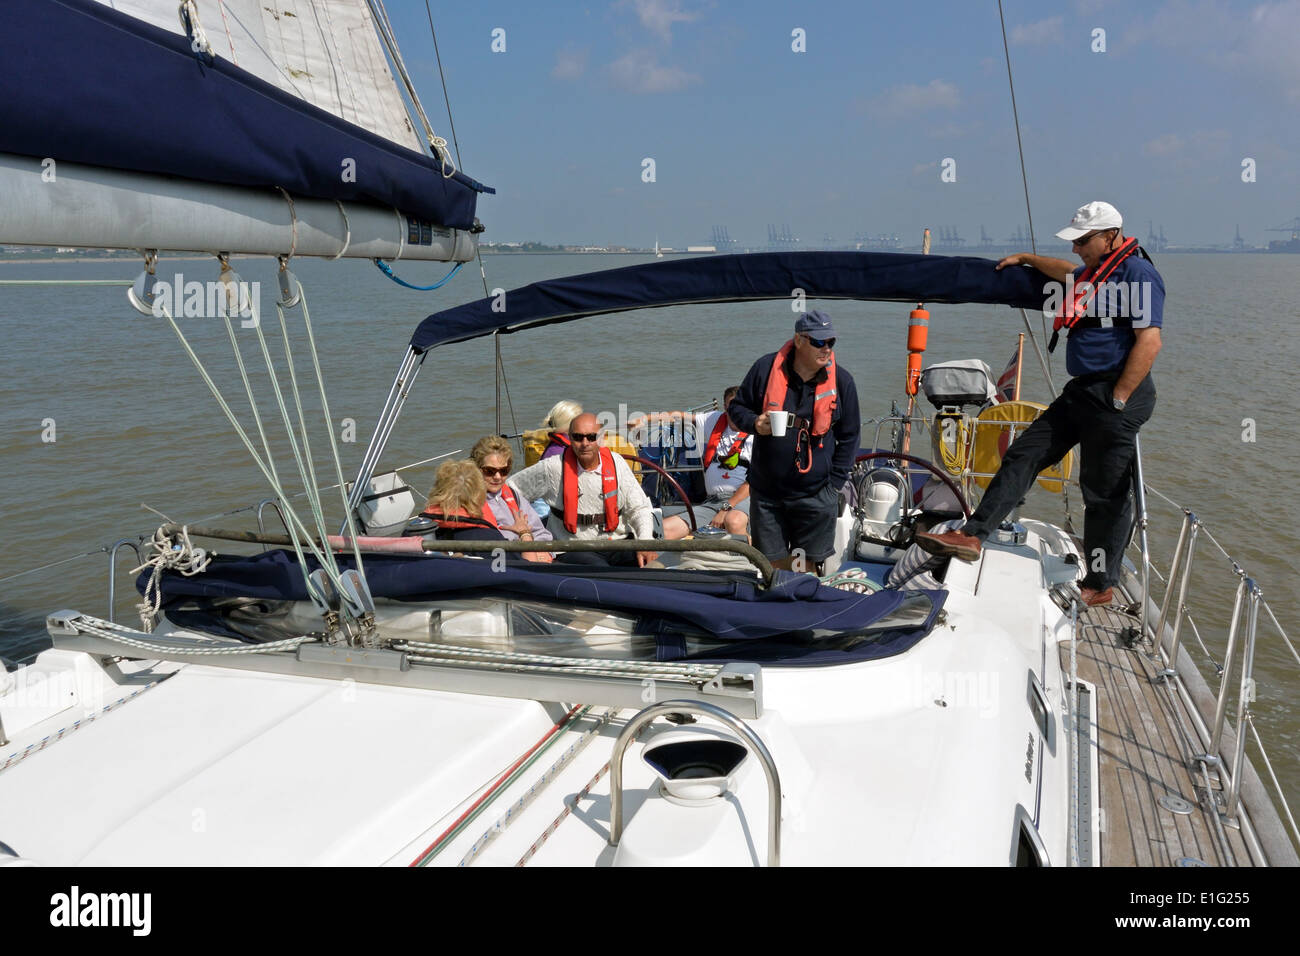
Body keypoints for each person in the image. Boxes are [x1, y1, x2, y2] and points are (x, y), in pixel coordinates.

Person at [916, 201, 1164, 608]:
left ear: (1111, 235)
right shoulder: (1095, 272)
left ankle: (1101, 583)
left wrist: (1118, 399)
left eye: (1083, 240)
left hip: (1117, 394)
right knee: (1024, 453)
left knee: (1103, 493)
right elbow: (1067, 272)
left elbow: (1150, 342)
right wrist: (1028, 259)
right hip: (1081, 392)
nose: (1076, 249)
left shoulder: (1138, 274)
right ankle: (973, 535)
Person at [727, 309, 861, 574]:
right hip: (767, 494)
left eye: (831, 342)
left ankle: (801, 609)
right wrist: (755, 423)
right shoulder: (765, 370)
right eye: (819, 342)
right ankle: (775, 608)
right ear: (799, 340)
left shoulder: (842, 382)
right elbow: (737, 409)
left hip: (815, 493)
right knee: (771, 565)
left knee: (805, 567)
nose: (826, 349)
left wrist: (833, 485)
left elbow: (850, 436)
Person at [508, 412, 659, 567]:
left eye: (591, 437)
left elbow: (639, 508)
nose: (584, 443)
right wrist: (520, 528)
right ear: (570, 439)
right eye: (578, 437)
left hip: (618, 542)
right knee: (601, 571)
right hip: (573, 548)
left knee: (654, 567)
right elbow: (510, 489)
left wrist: (645, 542)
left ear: (601, 439)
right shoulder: (552, 468)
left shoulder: (618, 463)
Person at [628, 386, 752, 539]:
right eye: (731, 406)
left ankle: (752, 554)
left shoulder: (756, 433)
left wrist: (726, 508)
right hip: (713, 502)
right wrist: (643, 420)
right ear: (725, 407)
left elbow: (753, 482)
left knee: (733, 521)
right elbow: (677, 416)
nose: (735, 411)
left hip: (743, 500)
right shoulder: (713, 419)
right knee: (664, 530)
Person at [470, 435, 554, 563]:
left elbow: (541, 533)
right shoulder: (468, 501)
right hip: (501, 565)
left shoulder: (513, 497)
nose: (498, 477)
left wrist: (544, 551)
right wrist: (524, 536)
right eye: (489, 471)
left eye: (504, 471)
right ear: (476, 469)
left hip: (534, 560)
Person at [420, 460, 505, 542]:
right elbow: (513, 556)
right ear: (479, 495)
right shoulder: (491, 538)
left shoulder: (415, 533)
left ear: (437, 491)